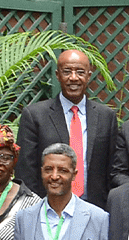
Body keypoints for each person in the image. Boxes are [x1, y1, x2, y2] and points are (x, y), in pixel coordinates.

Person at [16, 49, 118, 205]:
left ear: (89, 76)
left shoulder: (106, 116)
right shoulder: (35, 115)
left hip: (95, 209)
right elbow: (26, 171)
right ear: (57, 75)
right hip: (48, 208)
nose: (73, 78)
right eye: (67, 72)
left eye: (80, 72)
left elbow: (112, 168)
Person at [11, 145, 110, 240]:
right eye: (48, 169)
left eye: (62, 170)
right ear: (41, 171)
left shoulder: (98, 218)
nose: (54, 176)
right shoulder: (24, 218)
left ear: (74, 175)